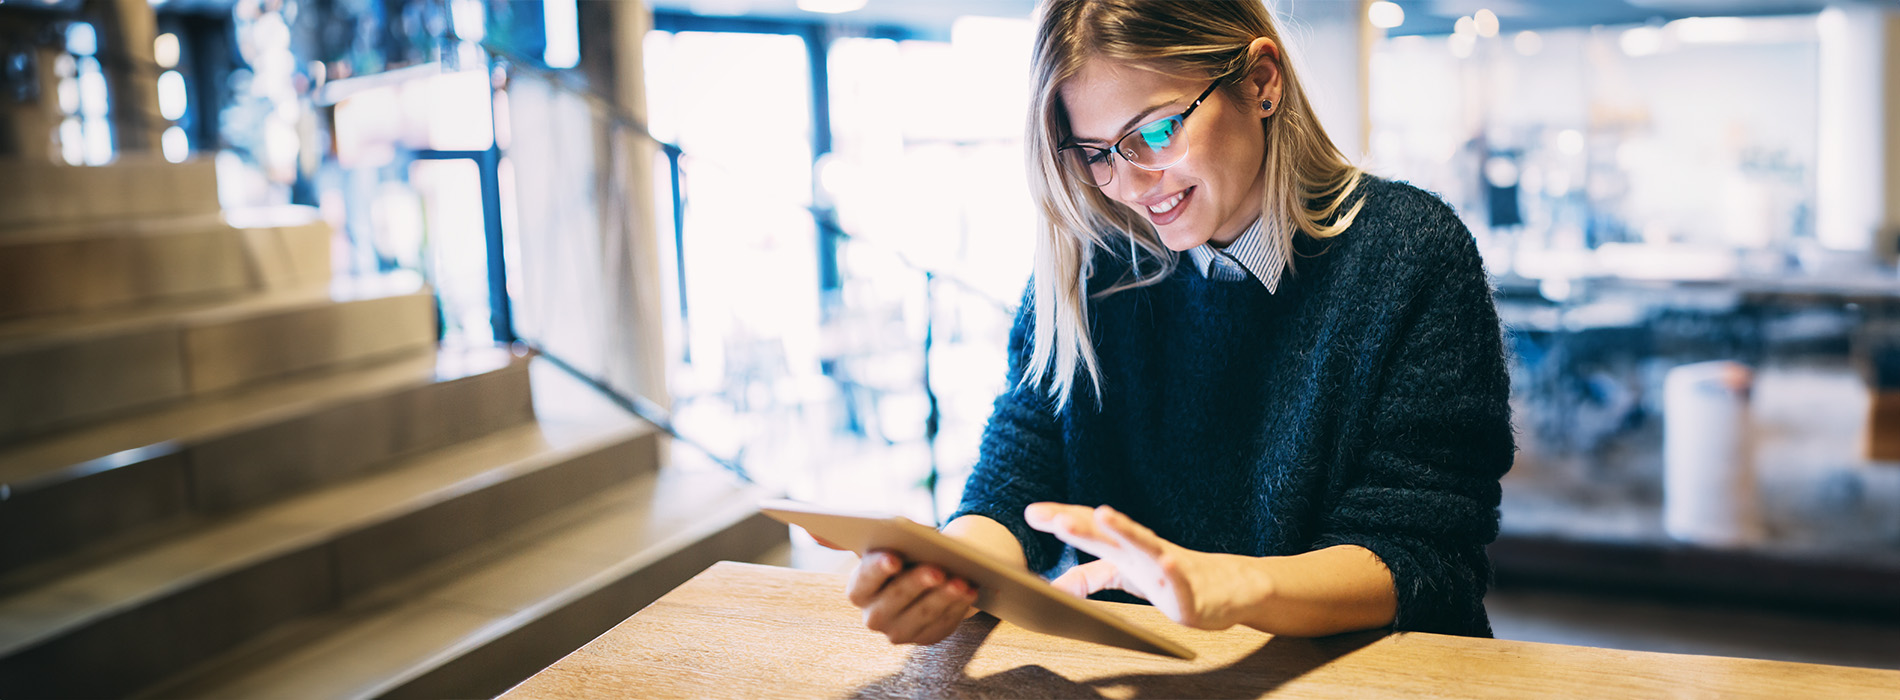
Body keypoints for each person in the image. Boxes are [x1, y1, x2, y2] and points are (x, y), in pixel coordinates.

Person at [844, 0, 1514, 646]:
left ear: (1260, 83)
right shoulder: (1091, 264)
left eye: (1156, 132)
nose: (1131, 185)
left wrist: (1227, 584)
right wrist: (947, 570)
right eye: (1098, 152)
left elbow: (1422, 551)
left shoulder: (1410, 252)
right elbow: (1017, 482)